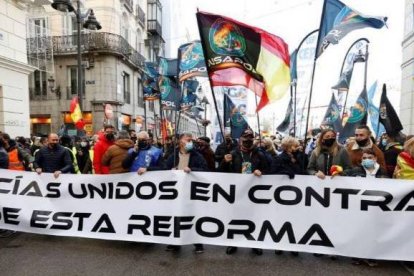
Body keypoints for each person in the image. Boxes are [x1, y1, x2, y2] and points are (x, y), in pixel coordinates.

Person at [219, 129, 268, 256]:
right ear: (240, 139)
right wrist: (225, 162)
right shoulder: (233, 153)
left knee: (254, 218)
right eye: (245, 137)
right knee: (235, 217)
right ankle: (233, 243)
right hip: (236, 192)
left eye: (250, 138)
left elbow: (269, 169)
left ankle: (254, 243)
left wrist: (260, 171)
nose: (248, 140)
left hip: (254, 193)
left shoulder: (260, 154)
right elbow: (220, 172)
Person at [163, 133, 208, 254]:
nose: (190, 142)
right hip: (176, 191)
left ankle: (198, 243)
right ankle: (175, 243)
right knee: (175, 216)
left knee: (192, 216)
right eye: (187, 140)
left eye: (191, 140)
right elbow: (164, 169)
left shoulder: (197, 156)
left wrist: (192, 170)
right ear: (180, 142)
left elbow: (205, 170)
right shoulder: (173, 155)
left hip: (191, 191)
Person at [270, 136, 304, 256]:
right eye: (295, 145)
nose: (297, 147)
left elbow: (303, 171)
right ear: (288, 147)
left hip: (297, 194)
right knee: (281, 220)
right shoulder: (279, 158)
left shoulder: (299, 157)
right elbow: (273, 172)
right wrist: (285, 173)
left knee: (295, 221)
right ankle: (279, 244)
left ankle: (293, 245)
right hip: (282, 195)